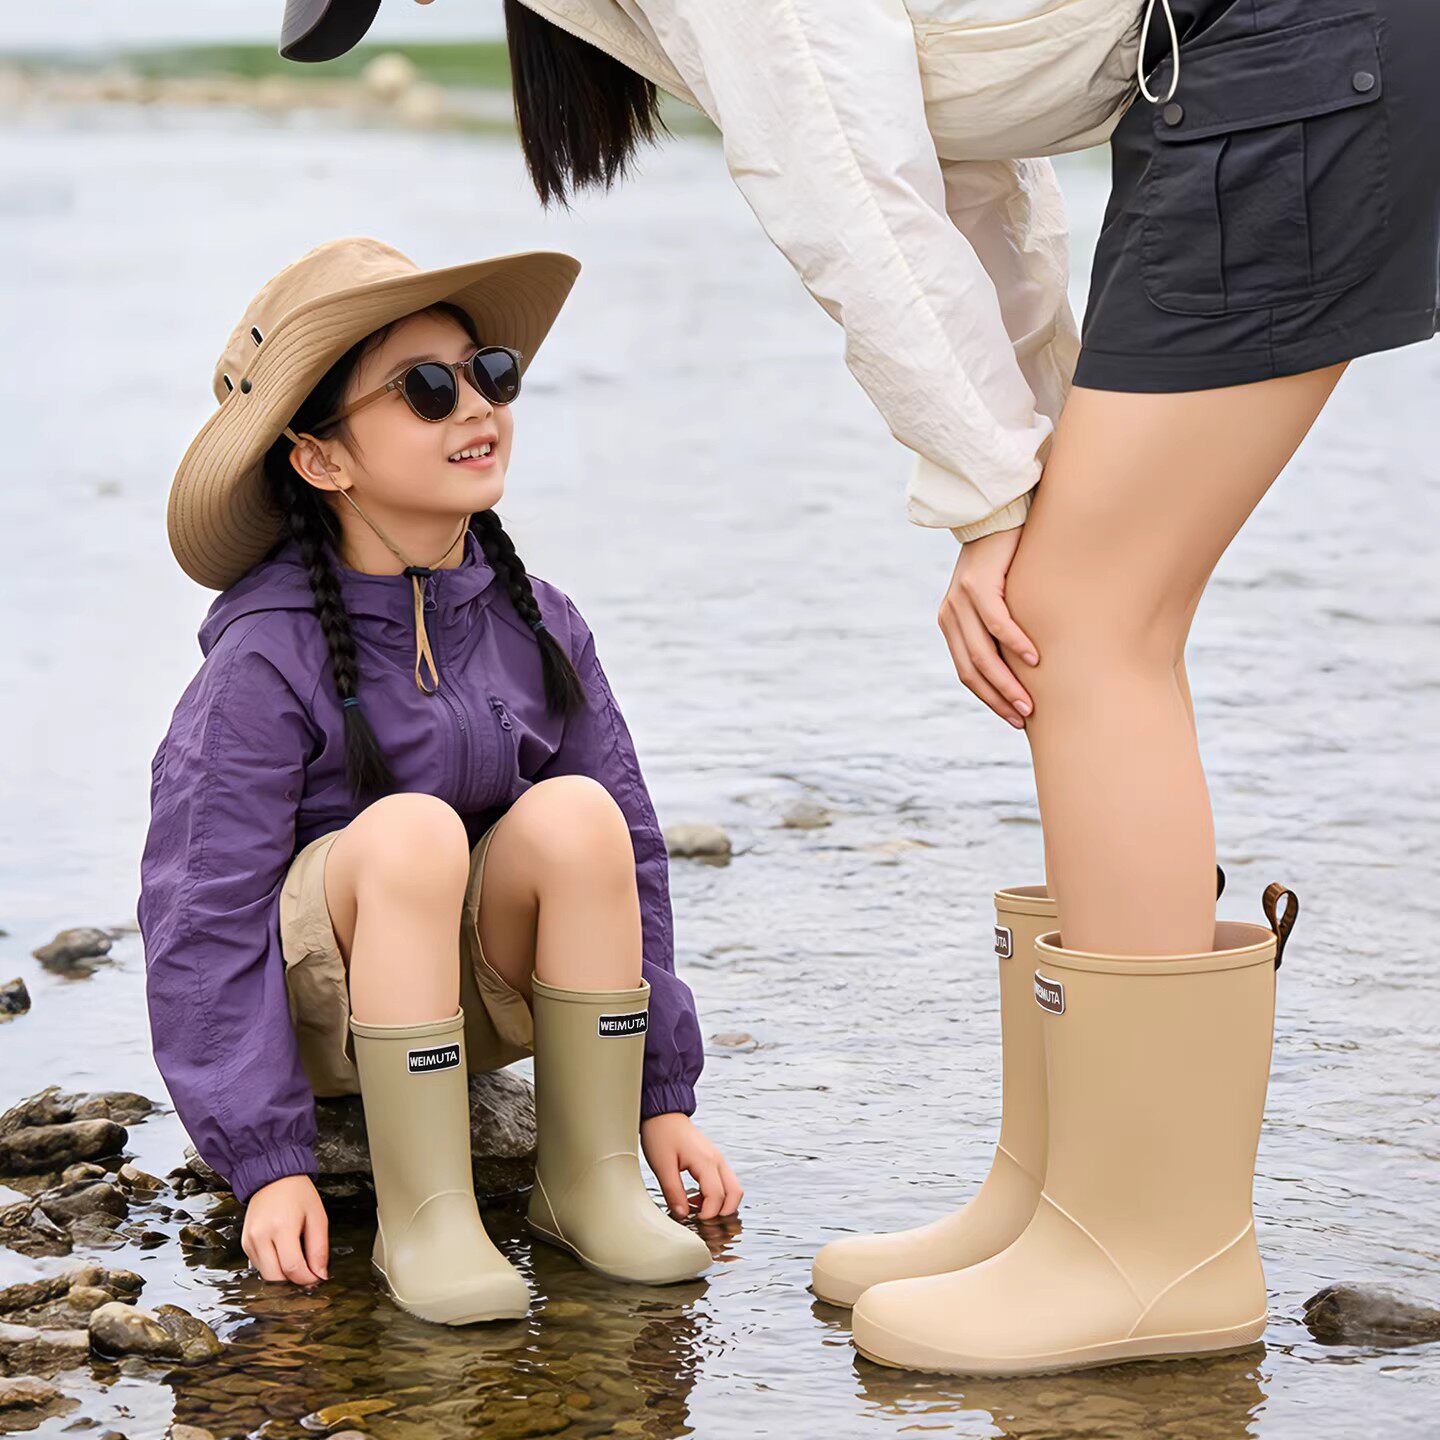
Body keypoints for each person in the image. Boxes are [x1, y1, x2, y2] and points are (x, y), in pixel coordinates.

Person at [277, 0, 1438, 1372]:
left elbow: (846, 184)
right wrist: (1025, 469)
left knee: (1084, 627)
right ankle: (1059, 1199)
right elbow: (972, 176)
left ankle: (1145, 1244)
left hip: (1285, 52)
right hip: (1250, 67)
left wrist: (992, 494)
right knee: (1080, 610)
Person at [137, 235, 742, 1326]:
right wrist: (265, 1159)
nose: (475, 406)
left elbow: (635, 864)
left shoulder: (537, 622)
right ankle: (425, 1218)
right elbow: (201, 912)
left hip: (476, 998)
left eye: (487, 373)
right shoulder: (264, 657)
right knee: (411, 830)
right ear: (321, 459)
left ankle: (588, 1183)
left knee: (582, 816)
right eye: (424, 389)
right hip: (325, 1016)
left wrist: (662, 1097)